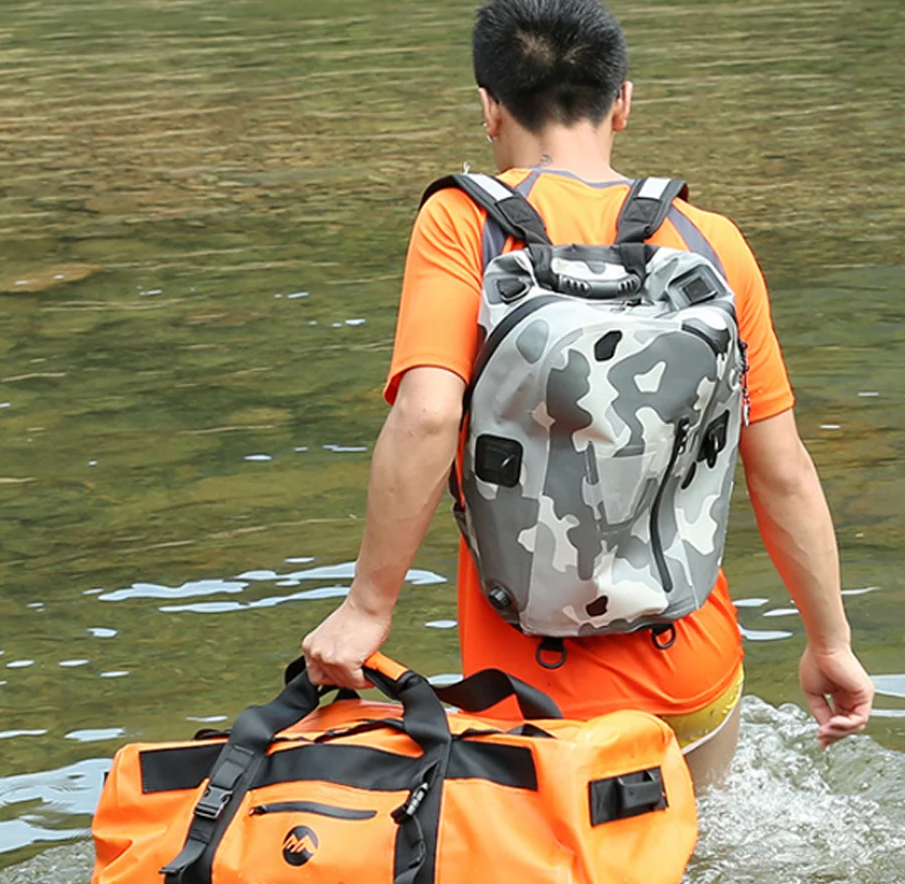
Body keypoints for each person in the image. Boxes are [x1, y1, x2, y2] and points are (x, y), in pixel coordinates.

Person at [301, 0, 873, 785]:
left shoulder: (462, 223)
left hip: (534, 688)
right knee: (686, 883)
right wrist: (830, 643)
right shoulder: (710, 240)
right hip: (692, 671)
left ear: (489, 108)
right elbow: (781, 467)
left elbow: (429, 414)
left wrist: (367, 609)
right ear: (624, 102)